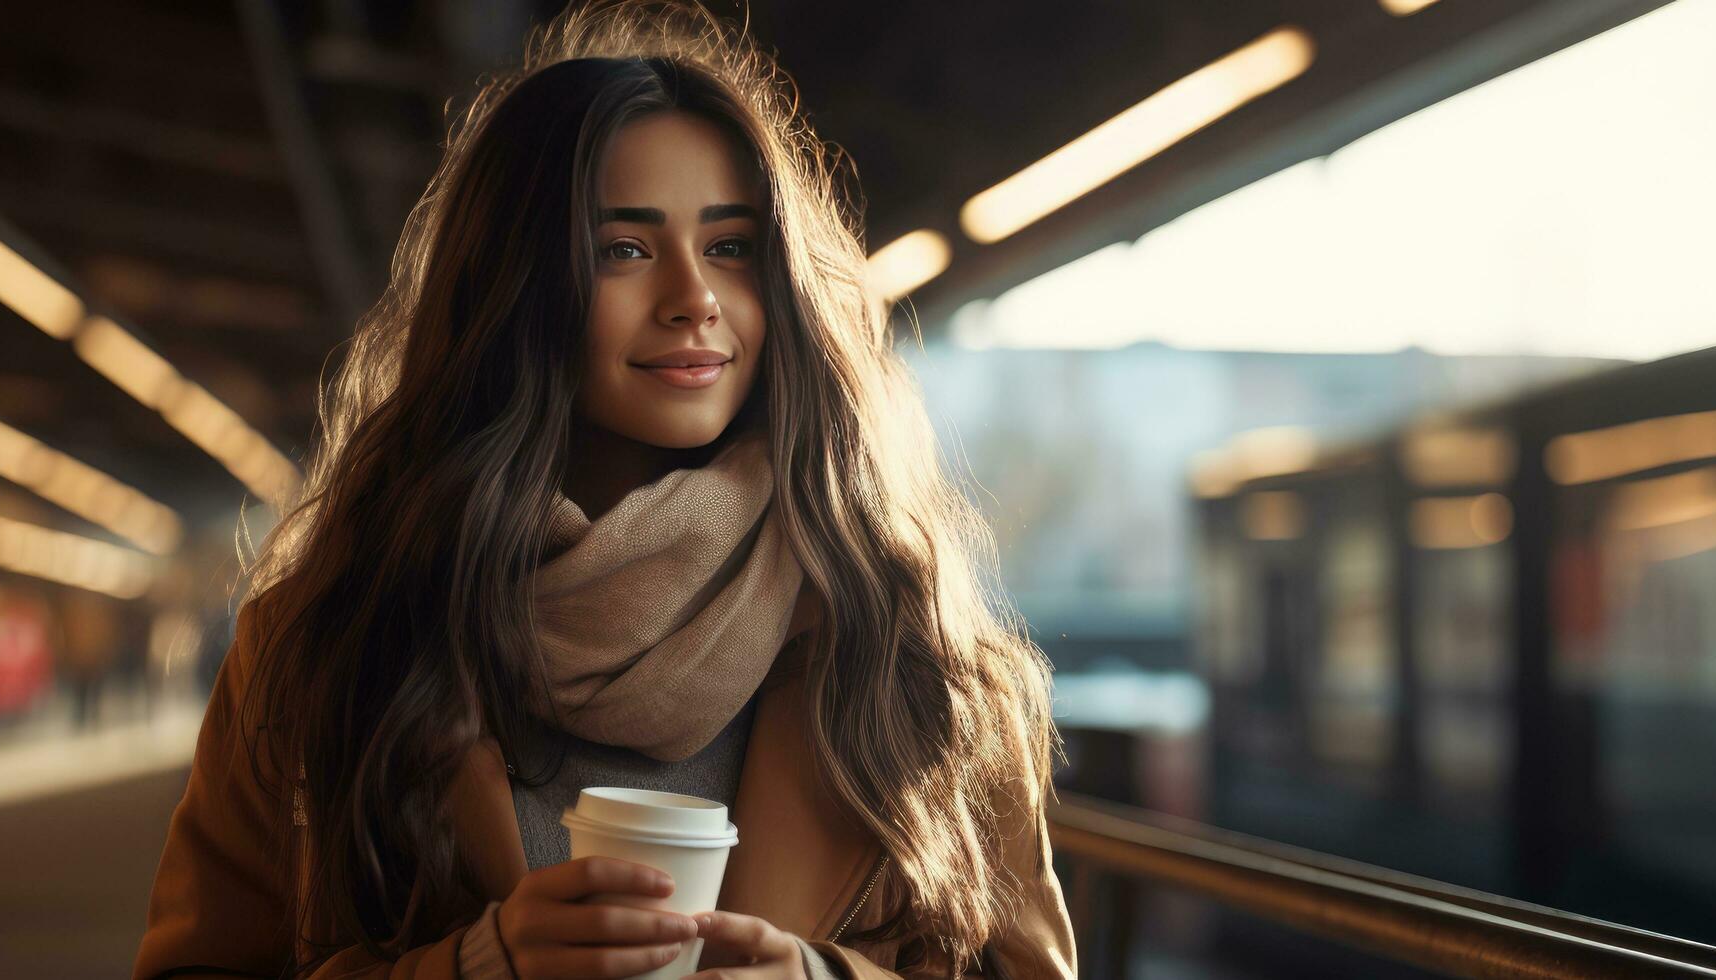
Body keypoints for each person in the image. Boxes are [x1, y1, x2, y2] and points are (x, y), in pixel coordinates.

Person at [134, 4, 1075, 979]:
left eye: (730, 247)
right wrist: (470, 969)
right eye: (622, 248)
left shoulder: (909, 648)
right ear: (512, 291)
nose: (692, 295)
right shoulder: (331, 637)